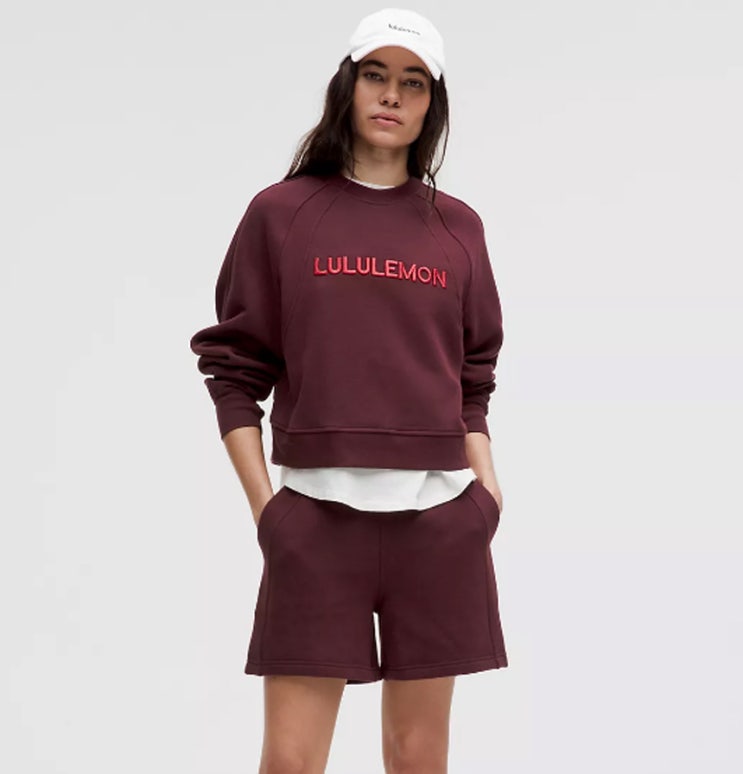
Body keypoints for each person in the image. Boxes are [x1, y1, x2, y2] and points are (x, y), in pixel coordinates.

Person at [189, 8, 507, 772]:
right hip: (316, 525)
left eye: (412, 82)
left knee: (417, 757)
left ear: (431, 104)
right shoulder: (281, 214)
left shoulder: (457, 228)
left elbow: (474, 374)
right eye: (375, 75)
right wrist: (269, 511)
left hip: (439, 526)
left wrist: (486, 493)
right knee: (291, 761)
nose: (391, 95)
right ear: (348, 85)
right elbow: (233, 368)